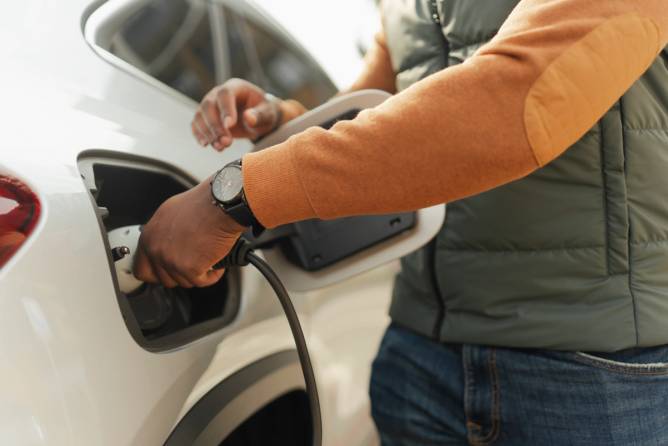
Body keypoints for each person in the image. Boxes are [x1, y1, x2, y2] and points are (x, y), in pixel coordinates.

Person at [134, 0, 668, 444]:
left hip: (590, 372)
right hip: (419, 356)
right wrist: (287, 122)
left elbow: (513, 106)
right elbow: (384, 116)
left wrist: (237, 195)